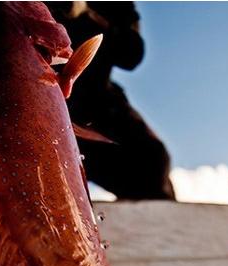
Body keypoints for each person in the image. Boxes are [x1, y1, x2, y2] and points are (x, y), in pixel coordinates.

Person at [46, 2, 176, 200]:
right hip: (36, 97)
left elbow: (132, 54)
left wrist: (86, 14)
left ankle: (153, 220)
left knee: (153, 160)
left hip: (99, 106)